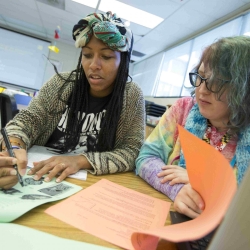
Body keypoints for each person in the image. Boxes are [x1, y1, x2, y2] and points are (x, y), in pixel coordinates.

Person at [0, 11, 145, 189]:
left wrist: (80, 160)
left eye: (106, 56)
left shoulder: (131, 95)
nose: (94, 65)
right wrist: (14, 148)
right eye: (87, 54)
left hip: (90, 186)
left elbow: (132, 151)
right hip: (37, 176)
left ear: (123, 61)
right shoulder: (61, 84)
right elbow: (27, 121)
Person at [136, 36, 250, 219]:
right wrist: (177, 190)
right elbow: (146, 157)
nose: (202, 90)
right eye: (201, 76)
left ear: (243, 90)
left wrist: (203, 183)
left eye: (217, 82)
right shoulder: (183, 109)